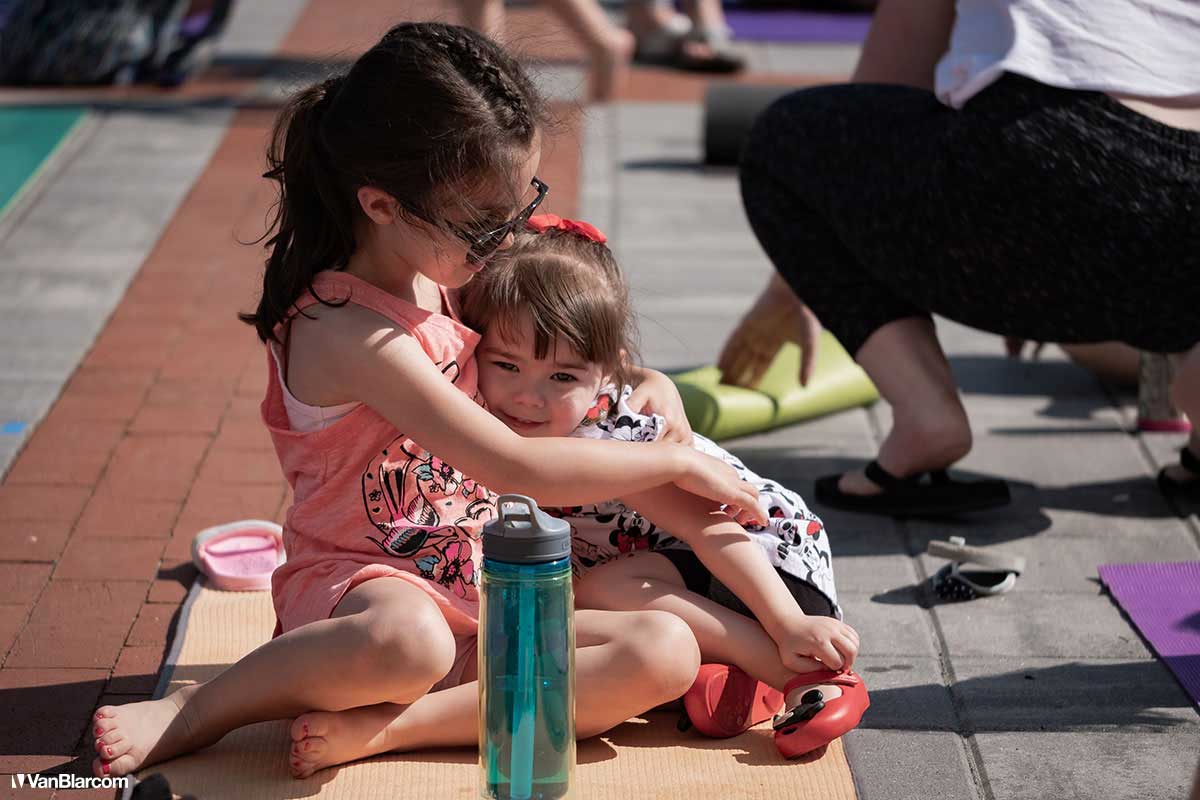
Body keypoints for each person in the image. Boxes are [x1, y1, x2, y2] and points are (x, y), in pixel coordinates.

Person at [89, 22, 774, 780]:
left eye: (524, 204)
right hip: (366, 601)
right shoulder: (347, 330)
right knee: (410, 644)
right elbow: (517, 464)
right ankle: (200, 708)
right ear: (382, 206)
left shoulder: (444, 265)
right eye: (487, 221)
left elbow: (564, 336)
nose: (509, 236)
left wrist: (649, 382)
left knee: (666, 650)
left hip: (481, 595)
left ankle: (391, 730)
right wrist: (672, 459)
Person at [720, 0, 1200, 516]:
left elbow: (877, 93)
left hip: (1048, 150)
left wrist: (792, 288)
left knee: (785, 142)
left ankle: (924, 412)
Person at [460, 214, 868, 759]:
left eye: (562, 377)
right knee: (584, 614)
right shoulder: (481, 416)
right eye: (506, 365)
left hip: (764, 567)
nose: (528, 396)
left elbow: (708, 526)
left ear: (607, 372)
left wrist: (788, 622)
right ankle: (716, 679)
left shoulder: (616, 441)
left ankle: (791, 670)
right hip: (679, 580)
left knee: (591, 596)